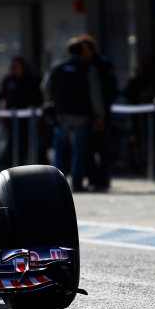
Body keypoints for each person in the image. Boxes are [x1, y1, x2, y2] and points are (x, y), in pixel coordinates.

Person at [41, 38, 105, 192]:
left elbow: (45, 88)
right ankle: (76, 184)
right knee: (79, 150)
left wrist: (55, 99)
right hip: (82, 115)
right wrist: (99, 115)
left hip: (61, 114)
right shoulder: (87, 67)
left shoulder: (57, 66)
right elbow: (95, 94)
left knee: (60, 148)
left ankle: (57, 184)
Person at [79, 35, 118, 191]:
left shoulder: (102, 64)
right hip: (86, 113)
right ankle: (92, 178)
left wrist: (101, 113)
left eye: (86, 50)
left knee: (103, 147)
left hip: (102, 113)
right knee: (87, 148)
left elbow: (110, 88)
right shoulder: (80, 65)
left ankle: (104, 180)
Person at [0, 56, 42, 168]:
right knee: (12, 141)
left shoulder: (29, 80)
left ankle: (21, 165)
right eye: (16, 67)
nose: (18, 69)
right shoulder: (8, 80)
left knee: (23, 142)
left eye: (20, 67)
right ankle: (4, 164)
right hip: (10, 118)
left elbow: (38, 97)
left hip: (26, 118)